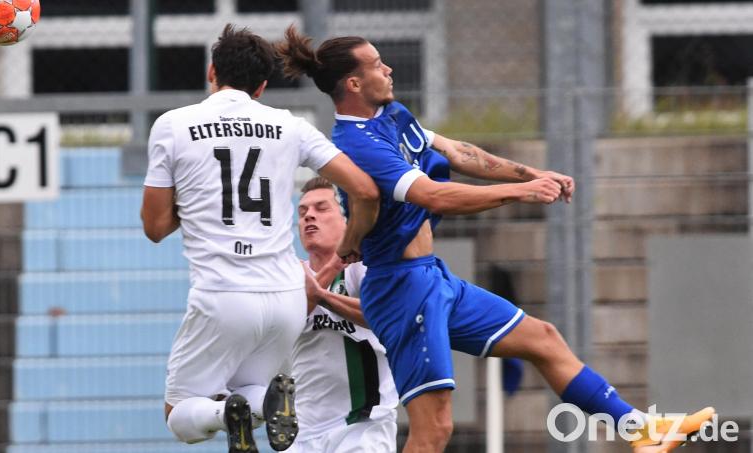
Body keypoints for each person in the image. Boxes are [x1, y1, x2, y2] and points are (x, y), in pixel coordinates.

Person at [276, 26, 714, 453]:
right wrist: (519, 193)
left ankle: (640, 431)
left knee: (543, 338)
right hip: (400, 289)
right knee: (434, 430)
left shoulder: (391, 116)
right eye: (376, 64)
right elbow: (434, 195)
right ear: (354, 82)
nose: (388, 69)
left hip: (431, 278)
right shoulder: (356, 143)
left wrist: (533, 173)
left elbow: (459, 152)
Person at [140, 24, 379, 453]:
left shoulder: (173, 125)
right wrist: (352, 243)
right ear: (263, 86)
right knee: (256, 388)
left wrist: (197, 200)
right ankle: (257, 405)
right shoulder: (290, 126)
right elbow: (364, 189)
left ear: (212, 72)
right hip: (287, 293)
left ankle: (223, 412)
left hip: (223, 294)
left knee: (178, 414)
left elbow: (155, 227)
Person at [287, 176, 398, 453]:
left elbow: (383, 315)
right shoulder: (288, 274)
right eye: (302, 213)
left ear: (347, 220)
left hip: (362, 426)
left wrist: (323, 295)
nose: (310, 216)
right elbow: (287, 317)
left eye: (322, 208)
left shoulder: (364, 269)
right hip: (302, 433)